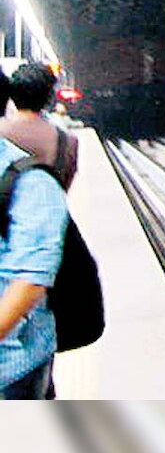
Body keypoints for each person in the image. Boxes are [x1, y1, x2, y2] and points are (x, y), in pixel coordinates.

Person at [0, 73, 71, 399]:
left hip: (12, 368)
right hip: (45, 239)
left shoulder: (28, 180)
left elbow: (28, 282)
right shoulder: (66, 141)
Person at [0, 64, 78, 191]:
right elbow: (64, 188)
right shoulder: (69, 142)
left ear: (12, 94)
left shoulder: (2, 132)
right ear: (49, 98)